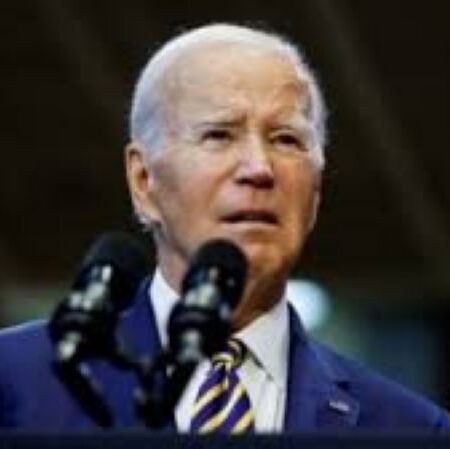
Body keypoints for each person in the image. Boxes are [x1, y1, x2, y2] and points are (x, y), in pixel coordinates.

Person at [0, 23, 449, 432]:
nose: (259, 168)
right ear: (143, 180)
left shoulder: (411, 430)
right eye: (219, 135)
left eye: (286, 139)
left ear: (315, 191)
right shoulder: (15, 381)